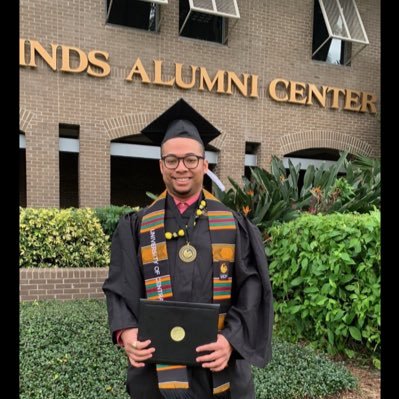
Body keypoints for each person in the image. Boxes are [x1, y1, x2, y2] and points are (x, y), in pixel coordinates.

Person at [102, 98, 273, 399]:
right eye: (172, 160)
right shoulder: (137, 226)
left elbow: (252, 288)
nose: (181, 168)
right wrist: (126, 332)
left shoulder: (233, 226)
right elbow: (120, 286)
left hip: (220, 369)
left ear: (205, 164)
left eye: (191, 159)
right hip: (156, 371)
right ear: (161, 165)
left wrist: (231, 341)